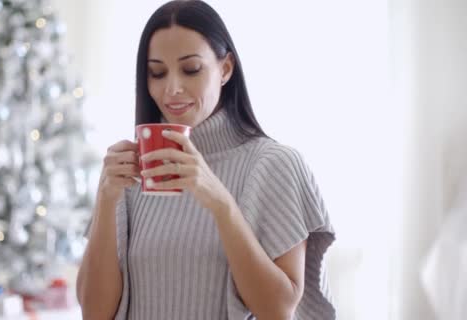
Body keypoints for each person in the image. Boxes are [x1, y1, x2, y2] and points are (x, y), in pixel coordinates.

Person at [76, 1, 335, 319]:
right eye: (156, 72)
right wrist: (106, 198)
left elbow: (278, 310)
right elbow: (94, 312)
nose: (172, 88)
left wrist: (220, 203)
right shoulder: (132, 170)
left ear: (225, 68)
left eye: (191, 69)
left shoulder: (274, 164)